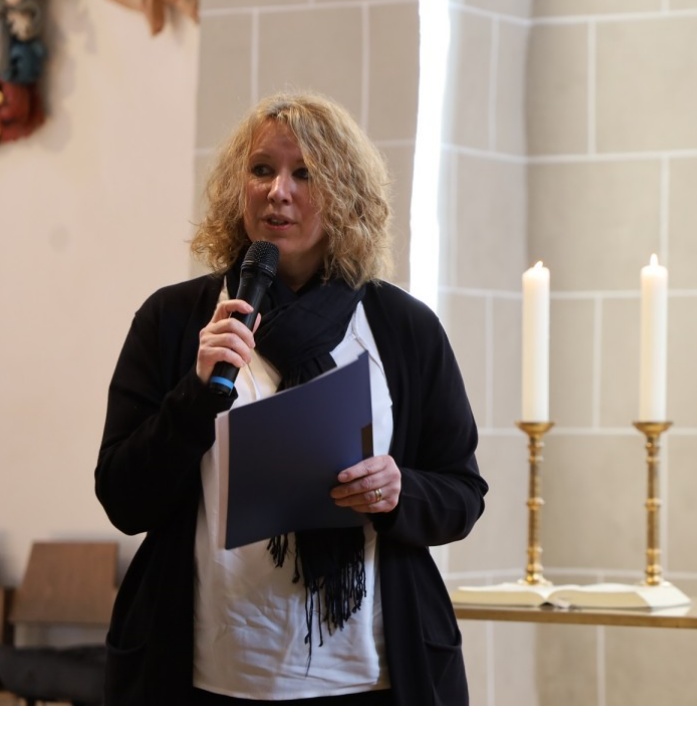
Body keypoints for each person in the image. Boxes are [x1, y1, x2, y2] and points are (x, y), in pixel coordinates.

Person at [95, 91, 487, 705]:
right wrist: (195, 395)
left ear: (345, 193)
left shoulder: (403, 329)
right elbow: (123, 497)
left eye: (305, 173)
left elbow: (463, 494)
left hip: (369, 674)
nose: (279, 190)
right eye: (261, 169)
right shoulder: (174, 320)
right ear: (238, 186)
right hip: (209, 671)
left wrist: (399, 490)